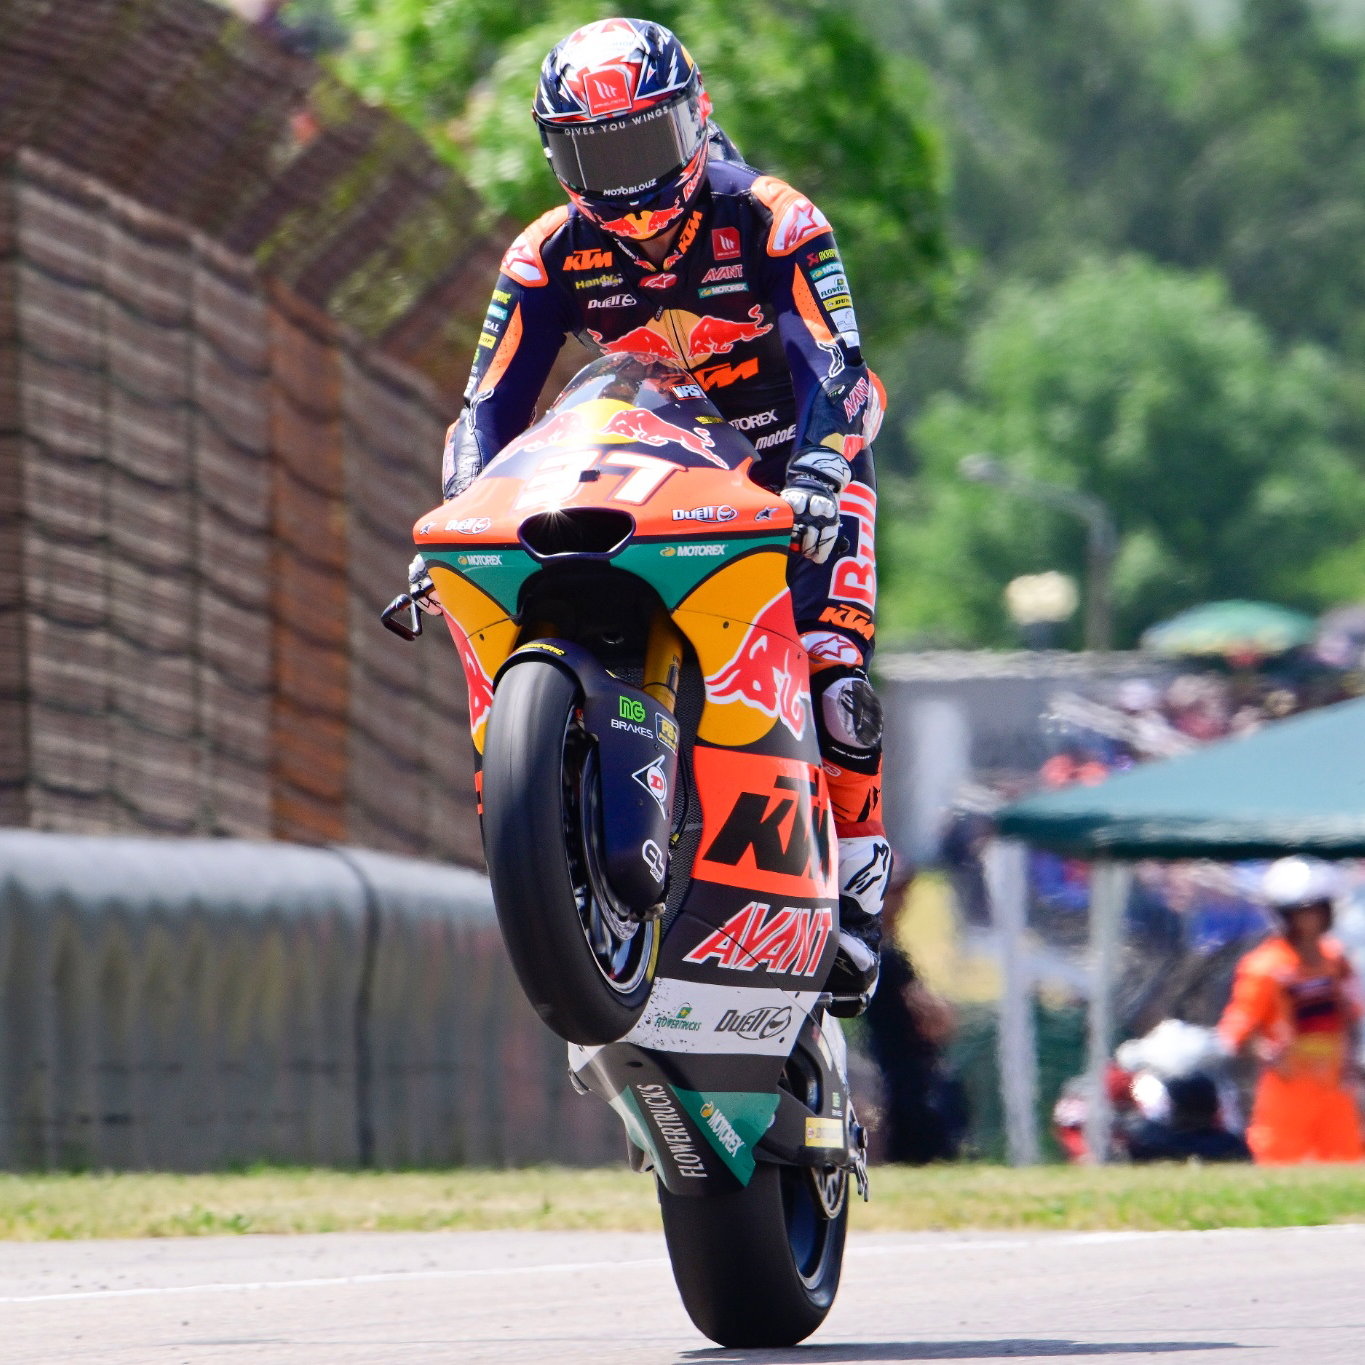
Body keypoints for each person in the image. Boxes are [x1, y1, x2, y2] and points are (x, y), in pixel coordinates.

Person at [438, 18, 891, 1010]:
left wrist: (816, 474)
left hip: (786, 472)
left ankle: (857, 883)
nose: (627, 184)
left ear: (698, 121)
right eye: (594, 154)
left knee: (831, 669)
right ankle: (554, 812)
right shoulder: (546, 251)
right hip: (642, 473)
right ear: (555, 155)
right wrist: (461, 509)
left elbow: (841, 370)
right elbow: (487, 407)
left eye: (644, 146)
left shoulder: (776, 218)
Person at [1217, 856, 1365, 1163]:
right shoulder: (1264, 967)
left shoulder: (1336, 961)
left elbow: (1351, 1013)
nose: (1309, 921)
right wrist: (1268, 1052)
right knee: (1279, 1162)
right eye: (1300, 913)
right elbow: (1237, 1032)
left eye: (1316, 910)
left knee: (1347, 1163)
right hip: (1288, 1090)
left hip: (1335, 1088)